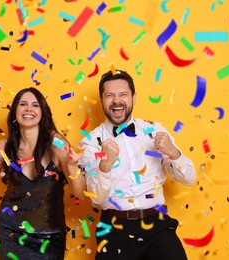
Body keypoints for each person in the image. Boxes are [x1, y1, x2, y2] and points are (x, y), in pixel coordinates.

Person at [79, 69, 196, 260]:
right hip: (113, 229)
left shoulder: (154, 131)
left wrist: (173, 153)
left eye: (123, 94)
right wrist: (105, 165)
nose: (117, 101)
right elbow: (97, 200)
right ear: (102, 100)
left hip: (157, 227)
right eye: (110, 95)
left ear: (134, 97)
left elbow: (189, 179)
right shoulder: (91, 142)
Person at [0, 87, 86, 259]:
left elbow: (81, 194)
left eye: (35, 105)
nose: (29, 109)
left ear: (42, 112)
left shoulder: (57, 145)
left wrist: (73, 166)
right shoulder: (4, 147)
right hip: (10, 234)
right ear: (15, 111)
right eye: (23, 104)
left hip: (50, 237)